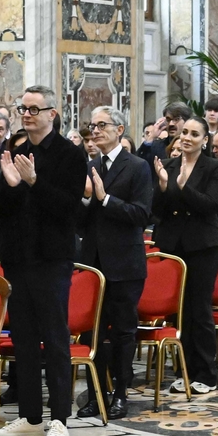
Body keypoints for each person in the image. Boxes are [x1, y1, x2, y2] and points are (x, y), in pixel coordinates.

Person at [0, 85, 86, 436]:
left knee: (55, 339)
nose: (26, 114)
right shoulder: (16, 151)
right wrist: (13, 185)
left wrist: (33, 181)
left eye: (33, 109)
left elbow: (68, 208)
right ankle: (30, 416)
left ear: (52, 113)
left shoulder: (69, 155)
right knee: (24, 339)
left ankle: (59, 417)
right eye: (22, 109)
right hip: (18, 257)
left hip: (51, 258)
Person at [77, 106, 154, 418]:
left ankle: (121, 392)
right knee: (91, 332)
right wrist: (84, 199)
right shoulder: (89, 165)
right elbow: (82, 222)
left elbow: (141, 214)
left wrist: (104, 198)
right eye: (92, 126)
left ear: (120, 130)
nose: (94, 131)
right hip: (93, 264)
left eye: (101, 125)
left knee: (122, 331)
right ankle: (97, 392)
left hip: (125, 263)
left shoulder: (137, 167)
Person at [152, 115, 218, 395]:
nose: (186, 137)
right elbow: (156, 210)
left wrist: (184, 187)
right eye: (184, 132)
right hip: (173, 247)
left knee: (200, 311)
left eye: (194, 134)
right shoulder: (169, 165)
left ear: (204, 140)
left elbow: (211, 205)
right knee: (180, 313)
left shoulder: (214, 167)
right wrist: (163, 187)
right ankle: (185, 371)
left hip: (202, 247)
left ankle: (206, 375)